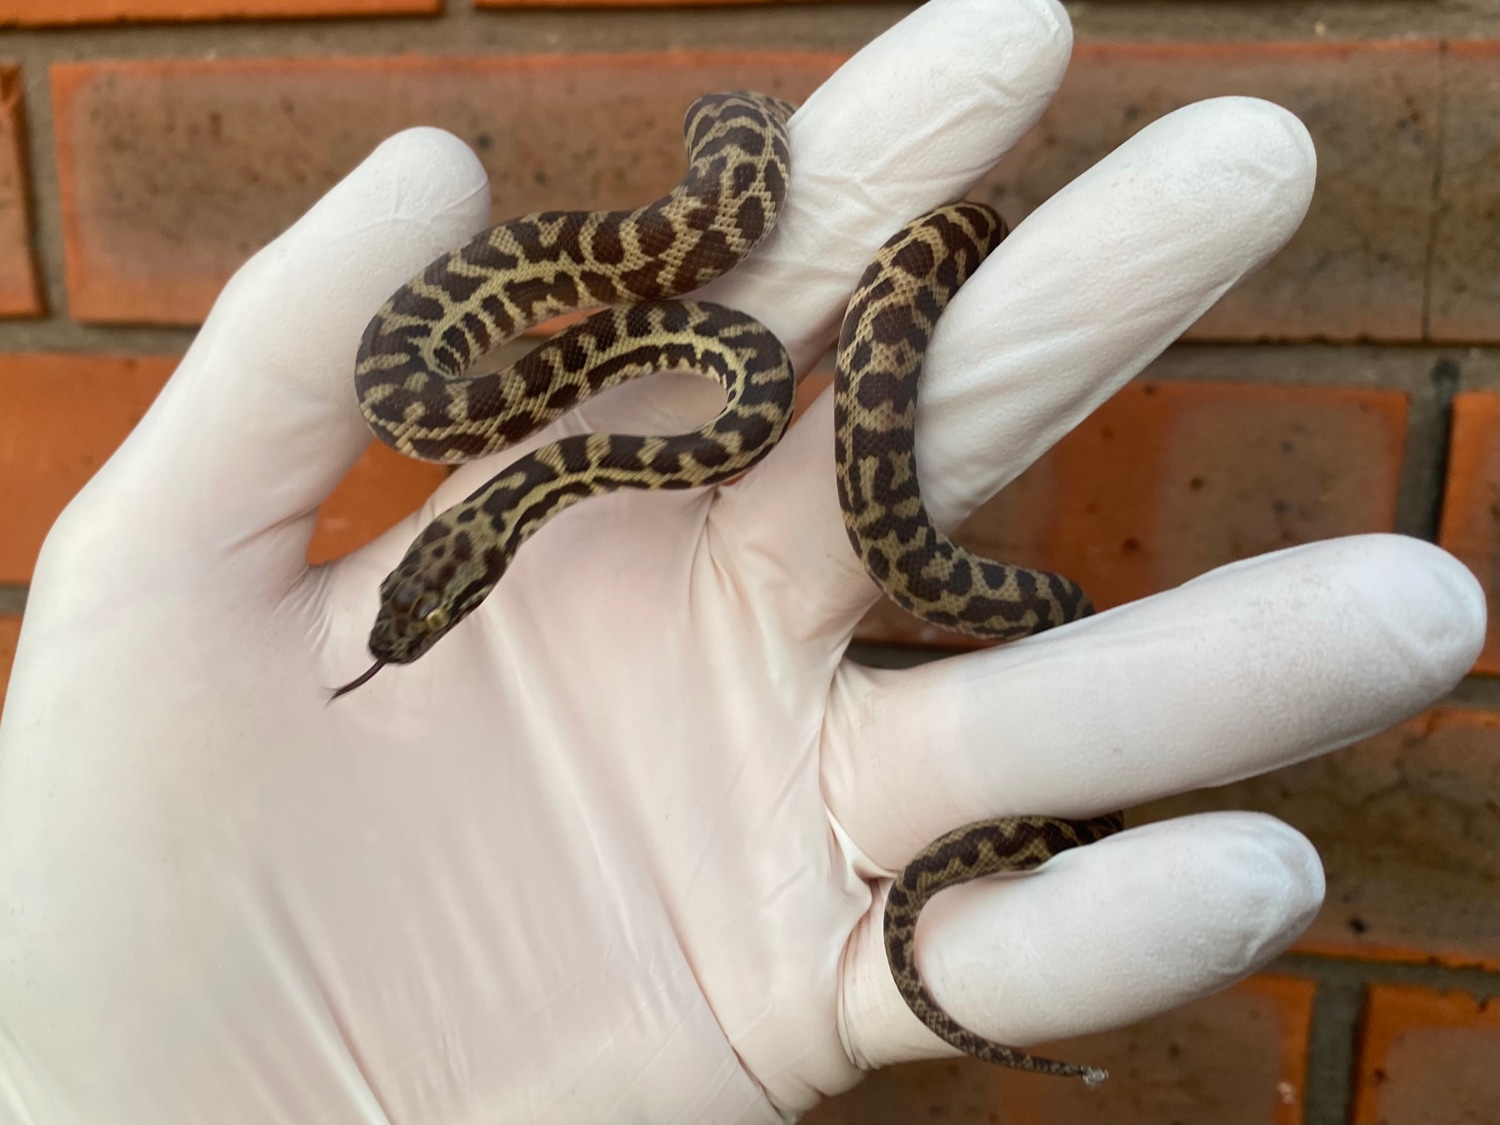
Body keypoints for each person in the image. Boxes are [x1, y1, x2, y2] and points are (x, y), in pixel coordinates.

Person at [0, 0, 1484, 1118]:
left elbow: (672, 379)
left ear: (474, 559)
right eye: (425, 612)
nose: (417, 615)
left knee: (927, 440)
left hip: (733, 243)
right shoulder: (520, 421)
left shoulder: (695, 390)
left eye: (424, 604)